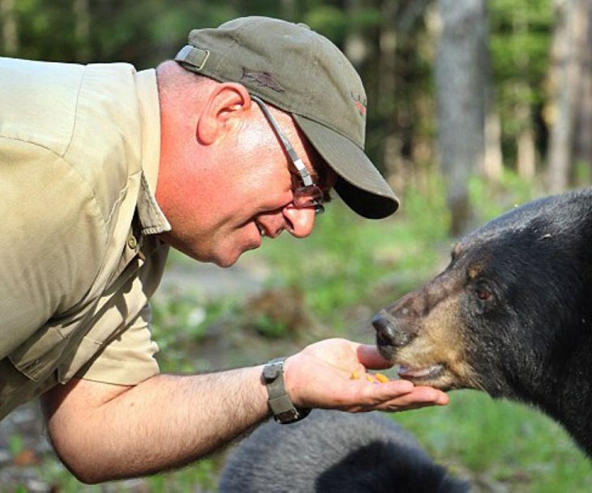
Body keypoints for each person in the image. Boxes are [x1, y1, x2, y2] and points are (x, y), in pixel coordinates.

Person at [0, 16, 449, 484]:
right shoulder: (66, 177)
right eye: (304, 182)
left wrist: (287, 381)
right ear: (225, 113)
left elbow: (92, 428)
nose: (301, 223)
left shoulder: (139, 210)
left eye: (319, 203)